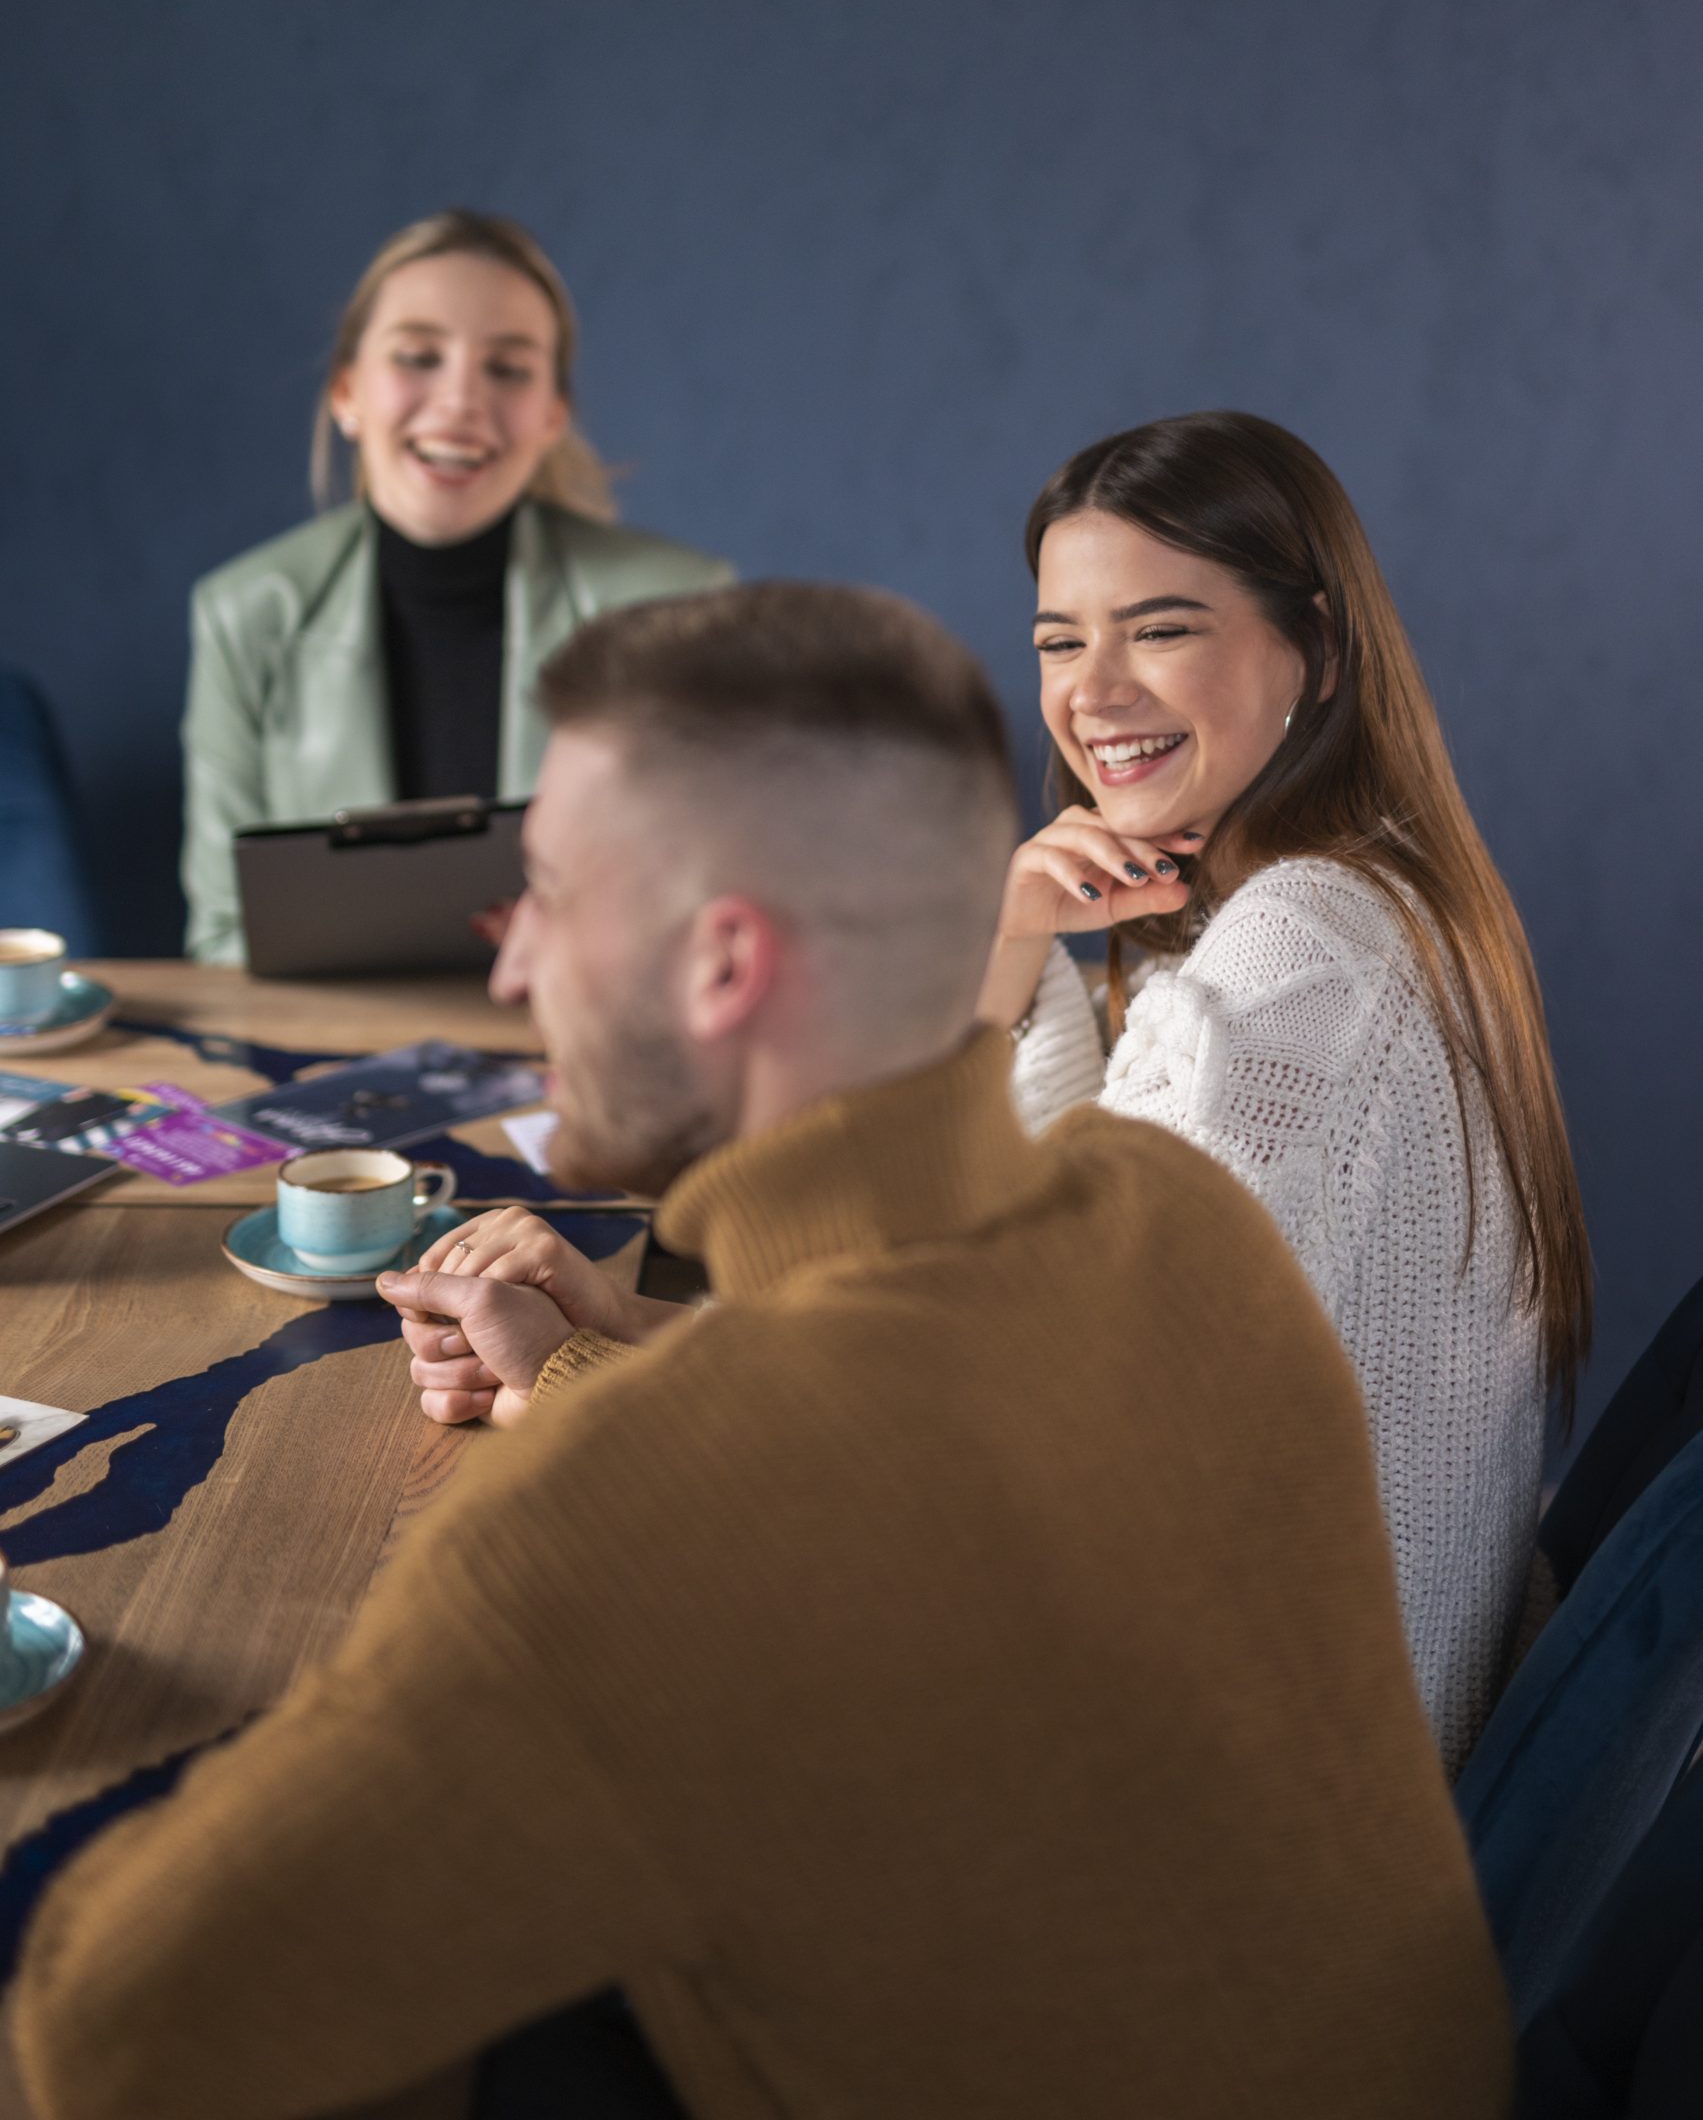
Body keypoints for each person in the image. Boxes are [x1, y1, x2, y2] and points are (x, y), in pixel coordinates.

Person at [14, 584, 1510, 2120]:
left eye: (545, 892)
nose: (513, 966)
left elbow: (117, 2045)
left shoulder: (629, 1526)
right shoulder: (1178, 1224)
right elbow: (918, 1463)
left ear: (723, 966)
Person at [972, 409, 1591, 1775]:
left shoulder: (1303, 950)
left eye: (1161, 628)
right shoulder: (1355, 902)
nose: (1092, 691)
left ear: (1311, 651)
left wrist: (605, 1365)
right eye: (1059, 642)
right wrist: (1013, 953)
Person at [180, 208, 732, 962]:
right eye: (417, 356)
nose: (461, 401)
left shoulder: (672, 609)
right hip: (318, 1060)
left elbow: (702, 912)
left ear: (551, 417)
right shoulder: (244, 614)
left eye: (507, 369)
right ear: (347, 394)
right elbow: (223, 938)